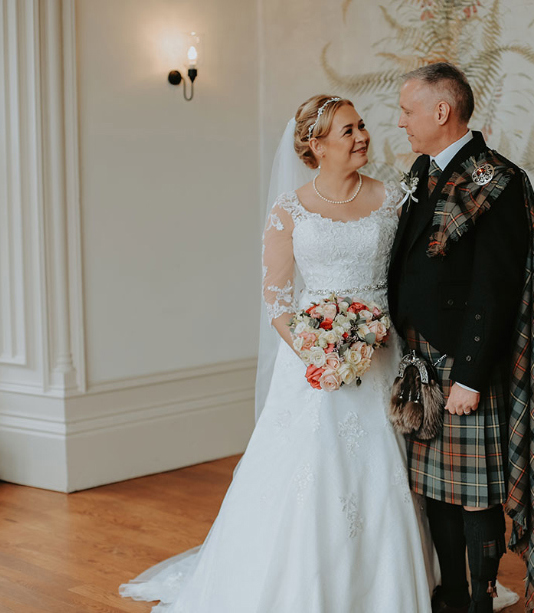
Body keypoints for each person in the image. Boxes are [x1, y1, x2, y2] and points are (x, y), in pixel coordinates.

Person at [120, 95, 435, 612]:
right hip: (313, 362)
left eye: (361, 126)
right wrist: (319, 351)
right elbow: (277, 300)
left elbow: (413, 281)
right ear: (316, 145)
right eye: (347, 131)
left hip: (381, 356)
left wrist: (373, 338)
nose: (362, 137)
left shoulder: (393, 198)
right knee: (309, 471)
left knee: (381, 470)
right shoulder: (290, 210)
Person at [389, 63, 534, 613]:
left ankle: (481, 599)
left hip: (465, 364)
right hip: (421, 360)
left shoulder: (496, 180)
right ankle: (450, 593)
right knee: (436, 490)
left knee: (475, 494)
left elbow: (496, 288)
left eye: (406, 110)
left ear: (441, 112)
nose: (400, 122)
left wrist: (468, 374)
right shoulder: (423, 171)